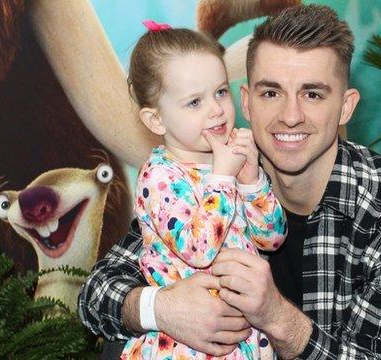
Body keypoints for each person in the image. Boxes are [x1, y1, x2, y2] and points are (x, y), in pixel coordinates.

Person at [79, 5, 381, 359]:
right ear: (248, 103)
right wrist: (161, 308)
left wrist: (277, 317)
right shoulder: (204, 168)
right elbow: (95, 294)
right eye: (271, 93)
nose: (290, 116)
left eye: (312, 94)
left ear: (346, 107)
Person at [117, 21, 287, 359]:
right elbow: (198, 249)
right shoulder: (159, 178)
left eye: (220, 92)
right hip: (186, 348)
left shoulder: (229, 158)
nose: (216, 109)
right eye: (194, 102)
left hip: (243, 340)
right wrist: (224, 177)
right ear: (156, 121)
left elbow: (273, 238)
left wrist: (253, 182)